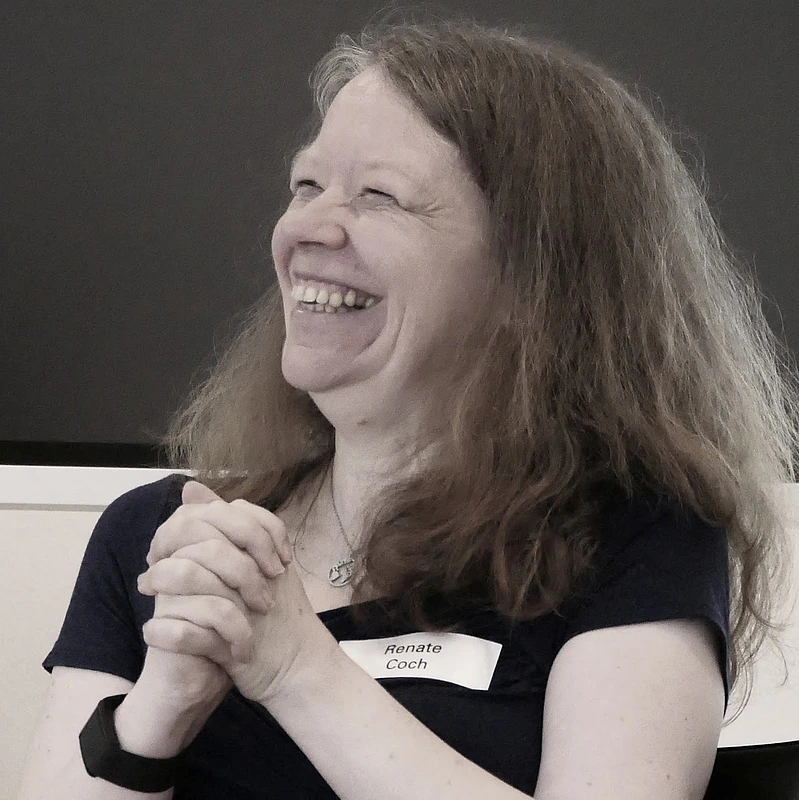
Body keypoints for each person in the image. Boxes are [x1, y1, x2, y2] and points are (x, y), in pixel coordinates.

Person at [18, 14, 799, 800]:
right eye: (306, 185)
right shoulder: (163, 539)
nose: (306, 228)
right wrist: (157, 712)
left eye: (379, 196)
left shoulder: (639, 541)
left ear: (531, 282)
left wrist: (298, 668)